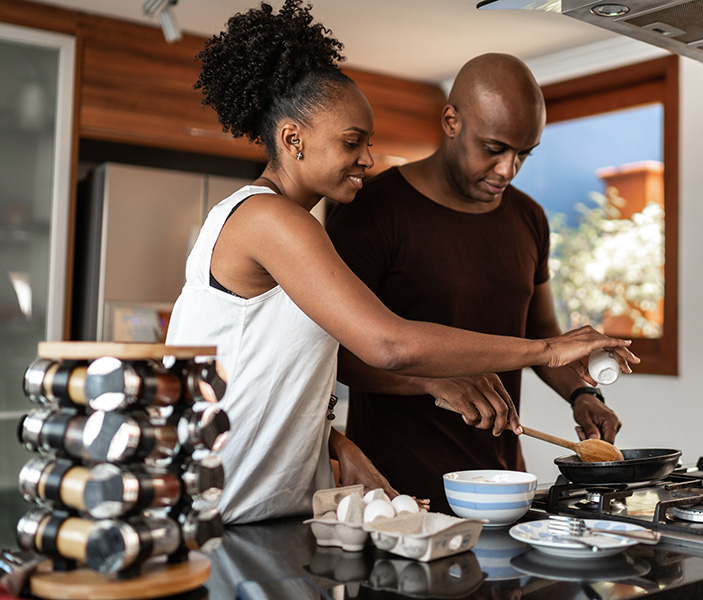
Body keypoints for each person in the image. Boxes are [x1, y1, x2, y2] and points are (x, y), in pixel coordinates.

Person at [166, 2, 638, 525]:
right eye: (352, 142)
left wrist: (334, 441)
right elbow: (386, 345)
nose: (368, 159)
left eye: (368, 143)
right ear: (292, 139)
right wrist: (548, 349)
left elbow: (269, 372)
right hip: (225, 509)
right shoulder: (269, 218)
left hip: (260, 508)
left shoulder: (291, 224)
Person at [326, 53, 625, 513]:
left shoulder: (529, 217)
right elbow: (337, 355)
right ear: (452, 122)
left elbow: (541, 336)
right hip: (397, 494)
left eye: (523, 153)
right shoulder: (372, 211)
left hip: (502, 487)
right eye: (494, 148)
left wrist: (582, 394)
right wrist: (432, 379)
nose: (508, 169)